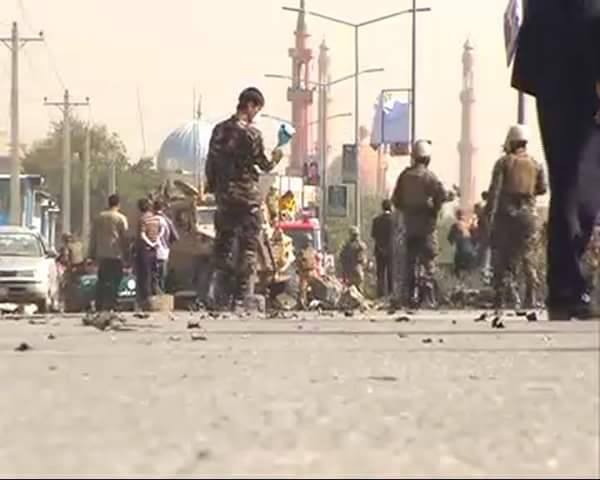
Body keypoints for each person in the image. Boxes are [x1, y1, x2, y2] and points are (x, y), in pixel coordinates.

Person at [512, 0, 600, 319]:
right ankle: (567, 287)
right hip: (579, 67)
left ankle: (565, 289)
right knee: (580, 184)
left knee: (569, 181)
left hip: (551, 63)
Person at [205, 87, 285, 310]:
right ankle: (242, 297)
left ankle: (218, 297)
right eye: (256, 110)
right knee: (248, 247)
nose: (255, 115)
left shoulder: (218, 130)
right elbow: (264, 164)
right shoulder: (251, 135)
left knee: (223, 245)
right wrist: (277, 155)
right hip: (246, 199)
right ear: (250, 105)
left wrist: (215, 189)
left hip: (224, 198)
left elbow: (210, 164)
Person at [486, 125, 547, 310]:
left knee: (503, 256)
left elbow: (495, 191)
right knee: (528, 256)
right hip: (529, 216)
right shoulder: (536, 164)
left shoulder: (503, 163)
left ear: (511, 142)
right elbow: (542, 188)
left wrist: (489, 215)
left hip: (507, 215)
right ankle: (531, 297)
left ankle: (502, 298)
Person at [391, 139, 448, 308]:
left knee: (410, 263)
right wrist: (433, 209)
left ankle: (409, 296)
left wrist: (407, 209)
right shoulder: (430, 177)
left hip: (410, 227)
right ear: (428, 158)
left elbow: (396, 200)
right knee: (429, 263)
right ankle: (429, 297)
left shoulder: (404, 176)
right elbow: (442, 195)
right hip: (427, 228)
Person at [89, 194, 129, 311]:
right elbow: (124, 237)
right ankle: (112, 303)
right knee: (116, 280)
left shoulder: (99, 217)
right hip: (116, 254)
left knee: (102, 279)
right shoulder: (121, 218)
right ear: (118, 204)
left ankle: (100, 303)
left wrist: (91, 253)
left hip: (102, 254)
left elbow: (93, 237)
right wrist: (126, 253)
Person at [136, 198, 162, 306]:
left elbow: (142, 235)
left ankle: (146, 300)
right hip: (154, 250)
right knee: (154, 274)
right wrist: (155, 243)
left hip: (145, 250)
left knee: (144, 275)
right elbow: (159, 233)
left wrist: (150, 243)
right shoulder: (156, 219)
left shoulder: (143, 219)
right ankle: (155, 297)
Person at [153, 199, 179, 292]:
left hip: (150, 252)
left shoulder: (149, 219)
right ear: (163, 208)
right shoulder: (167, 221)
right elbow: (175, 237)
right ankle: (161, 294)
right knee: (162, 277)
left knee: (152, 277)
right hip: (163, 252)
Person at [371, 199, 394, 298]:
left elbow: (374, 235)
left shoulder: (376, 220)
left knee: (380, 273)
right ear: (391, 207)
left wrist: (381, 246)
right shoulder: (394, 220)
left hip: (379, 250)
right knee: (391, 273)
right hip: (392, 250)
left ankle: (380, 294)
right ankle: (391, 294)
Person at [447, 209, 477, 279]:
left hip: (462, 248)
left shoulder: (456, 225)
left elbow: (450, 238)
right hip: (469, 249)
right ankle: (466, 274)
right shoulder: (468, 225)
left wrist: (452, 242)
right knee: (466, 263)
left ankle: (459, 274)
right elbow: (474, 237)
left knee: (458, 260)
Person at [339, 226, 367, 292]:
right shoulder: (348, 245)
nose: (356, 237)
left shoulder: (358, 245)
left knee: (356, 287)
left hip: (355, 269)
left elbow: (363, 258)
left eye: (356, 235)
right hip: (352, 270)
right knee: (354, 288)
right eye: (355, 235)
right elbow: (342, 257)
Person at [295, 233, 317, 309]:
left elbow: (315, 261)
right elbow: (298, 262)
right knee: (302, 289)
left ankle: (313, 303)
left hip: (312, 271)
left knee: (315, 289)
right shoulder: (301, 251)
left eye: (310, 241)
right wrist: (299, 270)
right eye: (307, 241)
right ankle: (302, 304)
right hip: (304, 272)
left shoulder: (312, 250)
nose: (309, 243)